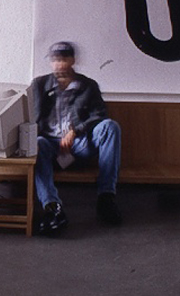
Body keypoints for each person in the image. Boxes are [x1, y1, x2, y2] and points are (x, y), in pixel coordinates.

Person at [33, 41, 122, 236]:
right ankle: (52, 207)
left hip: (80, 144)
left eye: (63, 59)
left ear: (72, 60)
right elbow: (32, 117)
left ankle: (106, 198)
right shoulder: (39, 85)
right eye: (55, 60)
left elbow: (99, 115)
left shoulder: (88, 85)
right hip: (49, 145)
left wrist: (76, 131)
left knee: (110, 127)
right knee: (38, 144)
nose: (58, 64)